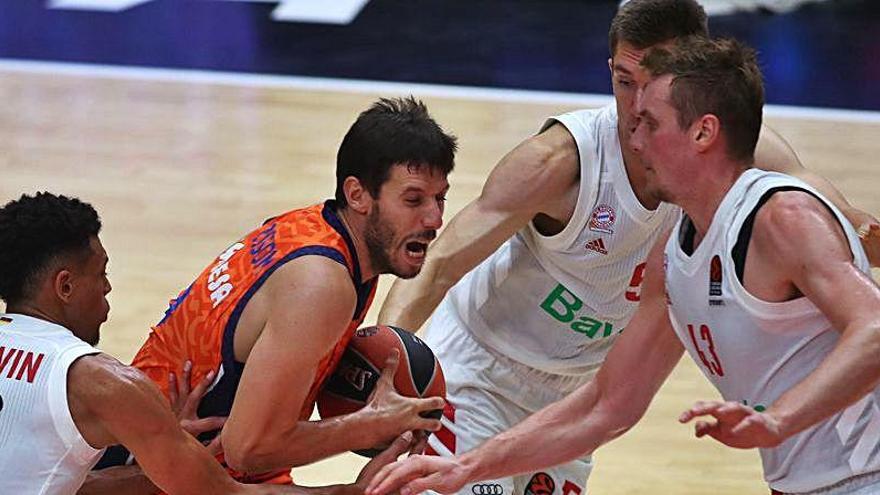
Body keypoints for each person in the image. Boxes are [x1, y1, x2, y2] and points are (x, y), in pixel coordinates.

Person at [376, 1, 880, 493]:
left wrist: (778, 420)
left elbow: (860, 266)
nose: (634, 119)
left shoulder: (774, 202)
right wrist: (391, 374)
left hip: (855, 472)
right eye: (623, 83)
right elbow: (609, 403)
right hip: (482, 370)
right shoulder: (603, 196)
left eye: (652, 106)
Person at [94, 96, 455, 485]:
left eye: (440, 198)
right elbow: (248, 448)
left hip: (187, 462)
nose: (434, 218)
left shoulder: (314, 228)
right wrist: (368, 425)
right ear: (358, 195)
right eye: (413, 200)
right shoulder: (321, 285)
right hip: (145, 476)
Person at [0, 192, 413, 495]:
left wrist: (157, 456)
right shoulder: (101, 384)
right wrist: (350, 493)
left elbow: (68, 487)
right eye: (101, 274)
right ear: (65, 286)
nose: (108, 288)